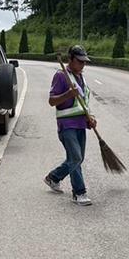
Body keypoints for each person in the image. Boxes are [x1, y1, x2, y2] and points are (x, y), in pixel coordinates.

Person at [43, 45, 97, 206]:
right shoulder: (61, 76)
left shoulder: (81, 78)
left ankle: (53, 177)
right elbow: (52, 101)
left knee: (76, 159)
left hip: (81, 124)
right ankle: (79, 193)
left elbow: (84, 103)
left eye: (84, 62)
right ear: (71, 60)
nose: (83, 65)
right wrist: (68, 94)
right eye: (79, 61)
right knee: (76, 158)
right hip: (66, 125)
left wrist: (90, 117)